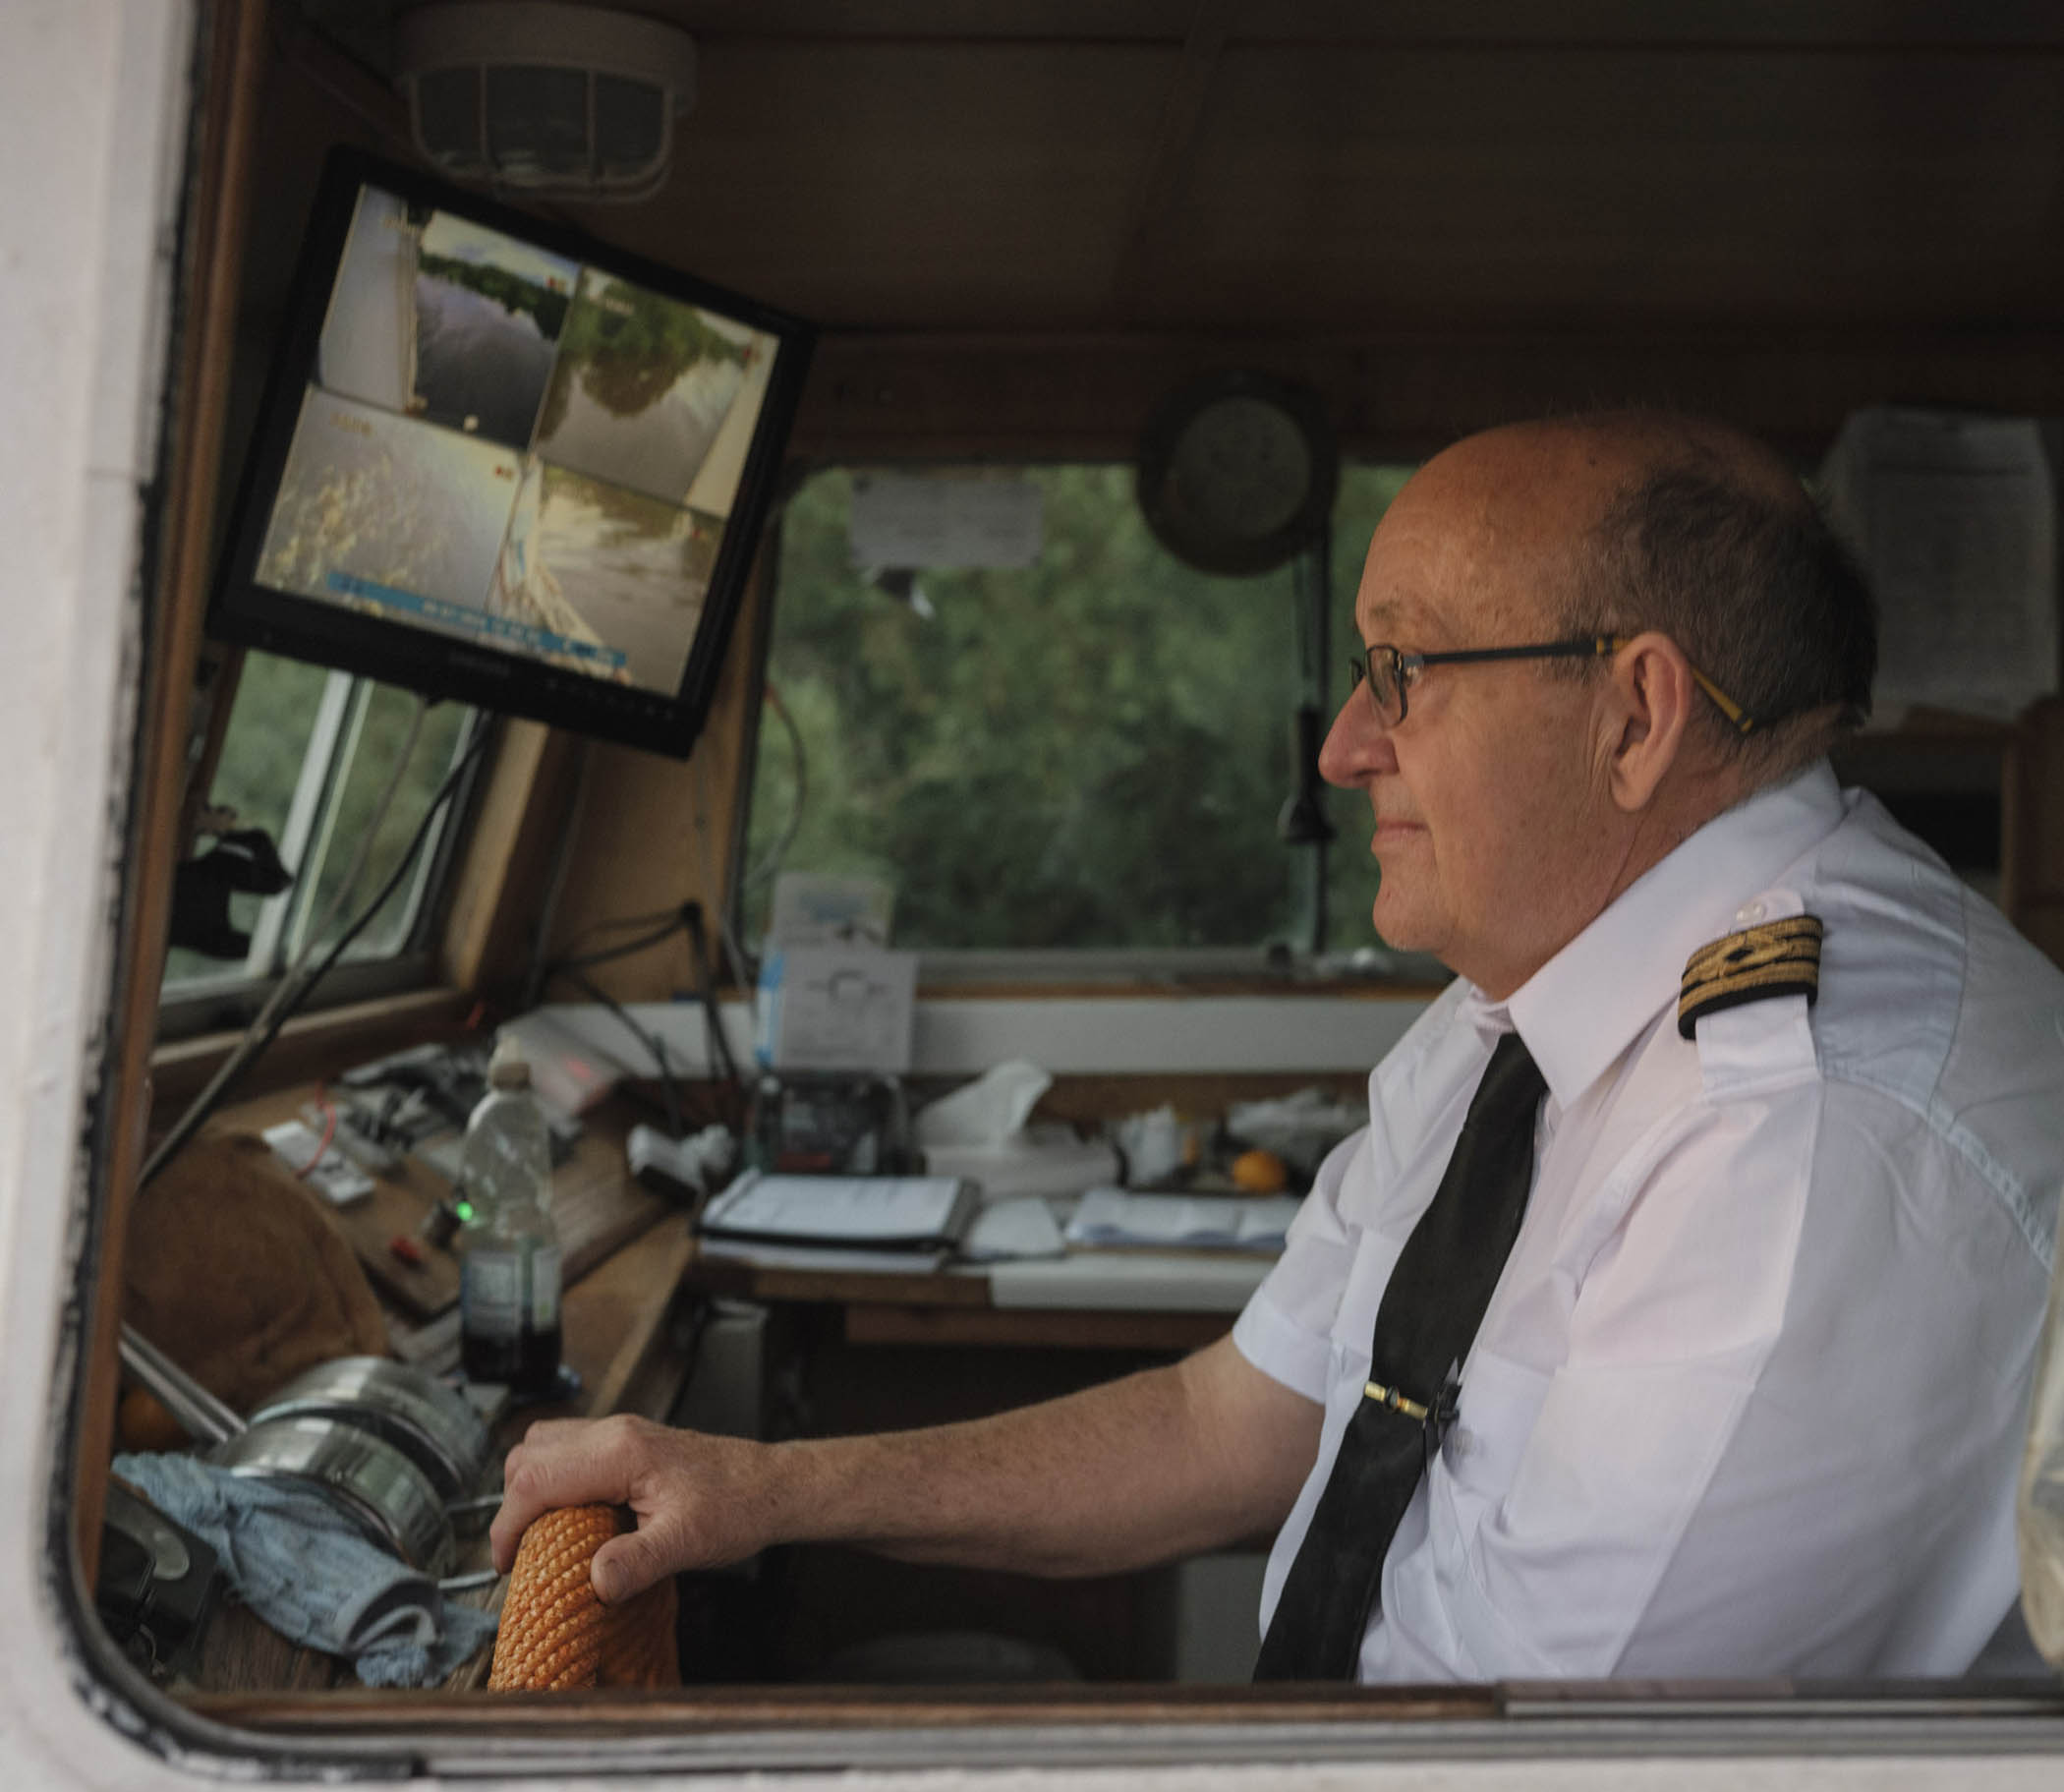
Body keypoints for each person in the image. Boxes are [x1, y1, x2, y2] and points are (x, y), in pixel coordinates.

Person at [491, 411, 2064, 1682]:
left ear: (1635, 717)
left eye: (1405, 670)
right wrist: (762, 1494)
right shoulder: (1522, 1010)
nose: (1343, 745)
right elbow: (1227, 1424)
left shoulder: (1803, 1134)